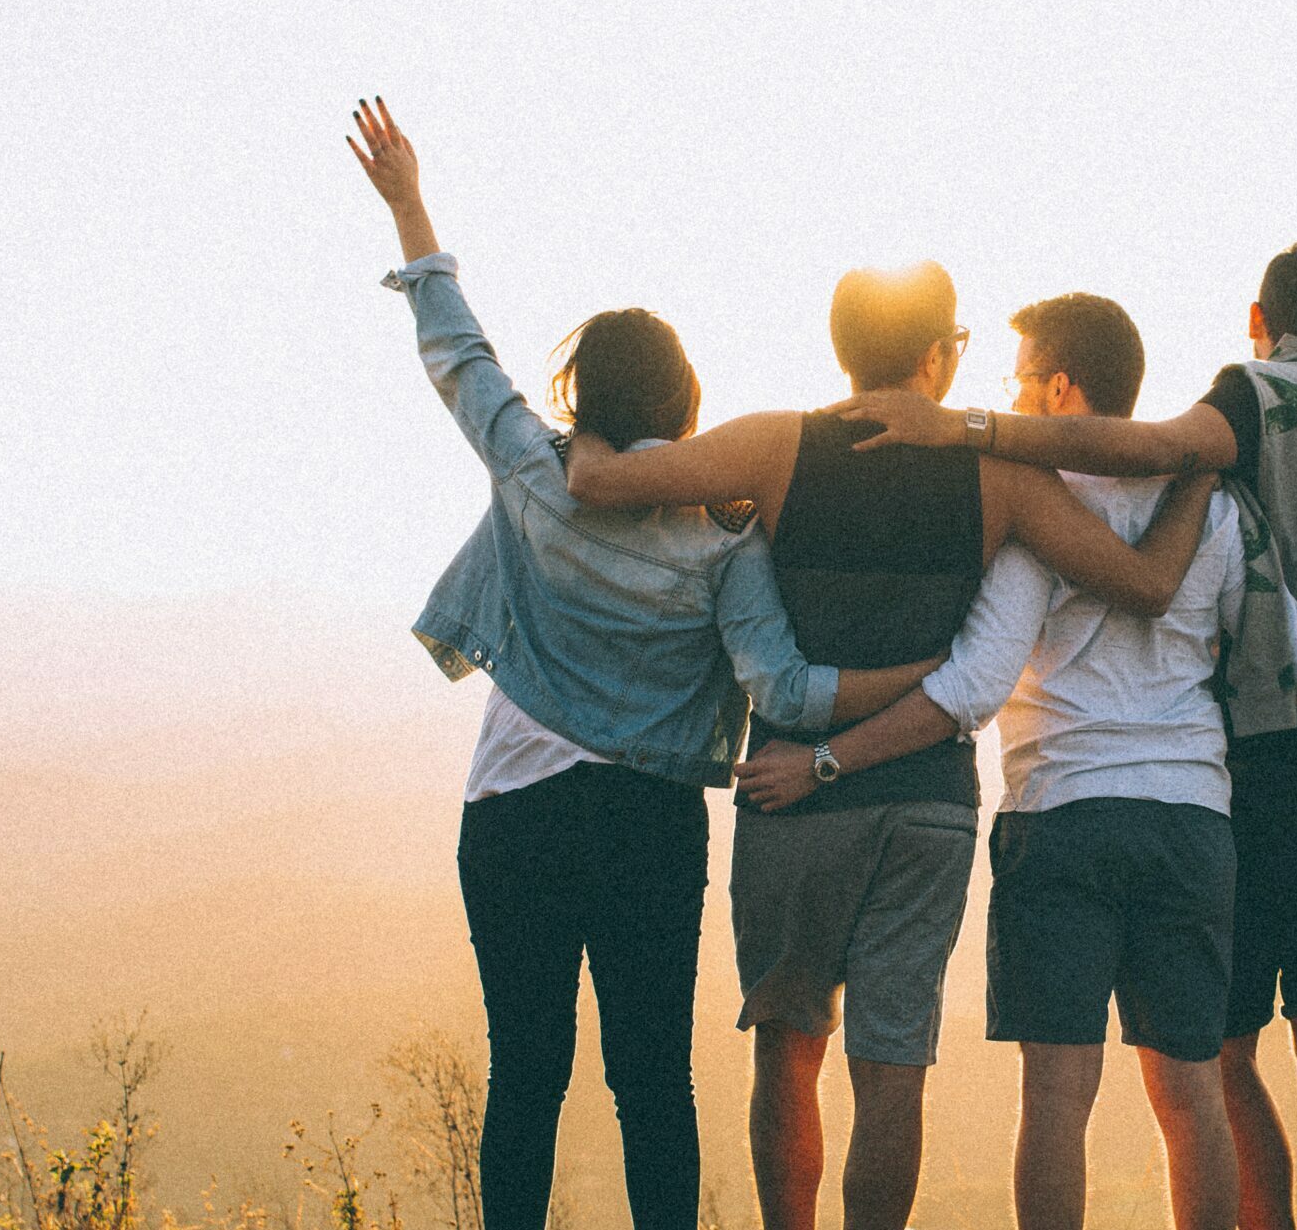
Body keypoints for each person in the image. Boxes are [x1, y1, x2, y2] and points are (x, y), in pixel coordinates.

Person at [740, 292, 1297, 1230]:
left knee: (1057, 1094)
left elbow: (971, 687)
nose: (1011, 394)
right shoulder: (1214, 507)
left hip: (1062, 816)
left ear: (1060, 387)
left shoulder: (1038, 511)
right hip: (1193, 825)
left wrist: (826, 761)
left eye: (1022, 377)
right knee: (1191, 1090)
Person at [348, 99, 942, 1230]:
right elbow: (786, 693)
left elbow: (458, 354)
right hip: (648, 824)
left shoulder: (533, 469)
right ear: (684, 400)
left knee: (526, 1075)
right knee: (650, 1085)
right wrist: (927, 674)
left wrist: (409, 203)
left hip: (513, 811)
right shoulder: (724, 533)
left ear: (582, 395)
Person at [561, 268, 1217, 1230]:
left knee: (787, 1044)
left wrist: (578, 424)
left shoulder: (777, 444)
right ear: (938, 355)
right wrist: (1202, 467)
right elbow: (1143, 581)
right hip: (930, 804)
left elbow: (599, 481)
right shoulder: (1002, 478)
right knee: (892, 1061)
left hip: (792, 793)